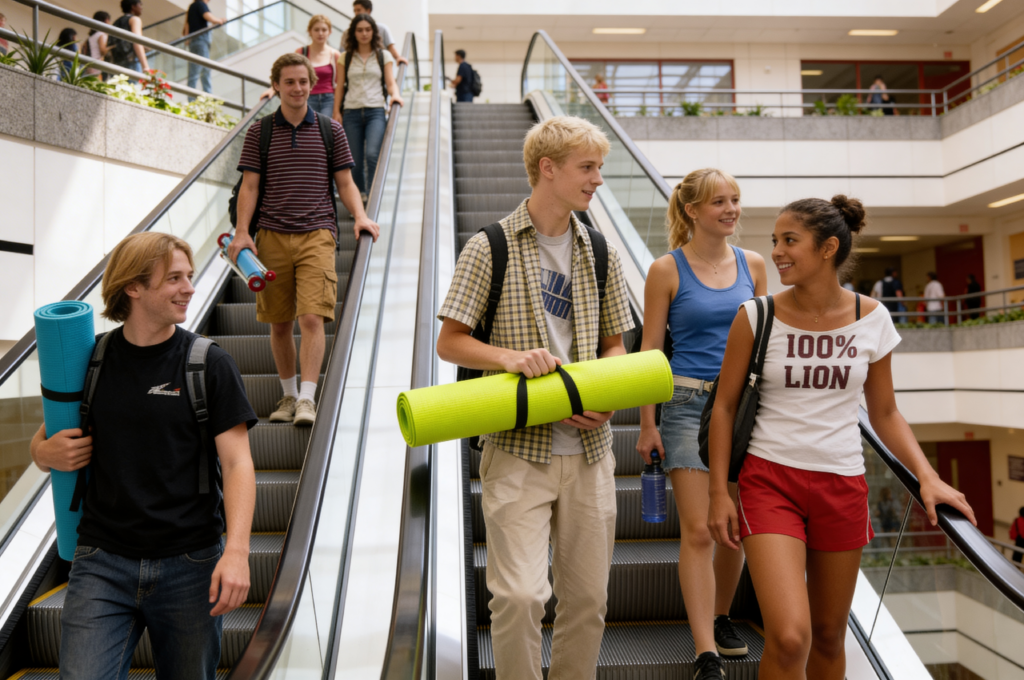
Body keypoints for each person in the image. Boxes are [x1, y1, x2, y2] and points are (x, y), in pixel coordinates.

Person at [708, 195, 975, 680]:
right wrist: (718, 492)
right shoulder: (755, 316)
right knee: (790, 636)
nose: (778, 252)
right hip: (769, 482)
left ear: (828, 247)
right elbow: (724, 408)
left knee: (830, 636)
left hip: (842, 484)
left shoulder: (873, 318)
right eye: (775, 242)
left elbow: (886, 412)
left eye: (790, 241)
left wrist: (928, 476)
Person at [436, 116, 634, 680]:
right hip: (518, 451)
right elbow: (450, 343)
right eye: (587, 167)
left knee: (588, 604)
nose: (598, 180)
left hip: (591, 452)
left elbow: (616, 344)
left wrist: (609, 395)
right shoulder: (488, 246)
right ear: (548, 169)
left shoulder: (600, 249)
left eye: (599, 168)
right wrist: (508, 358)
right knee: (520, 596)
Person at [29, 231, 258, 680]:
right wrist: (44, 452)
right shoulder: (91, 359)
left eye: (190, 276)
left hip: (191, 564)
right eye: (174, 278)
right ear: (133, 286)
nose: (189, 288)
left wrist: (237, 551)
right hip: (101, 562)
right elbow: (46, 441)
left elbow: (238, 464)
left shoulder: (207, 362)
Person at [636, 168, 767, 679]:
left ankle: (721, 614)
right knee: (697, 530)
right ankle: (705, 650)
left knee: (731, 526)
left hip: (742, 410)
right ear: (692, 210)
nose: (731, 209)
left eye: (735, 200)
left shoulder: (753, 264)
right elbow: (649, 351)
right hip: (687, 407)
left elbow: (763, 342)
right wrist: (647, 424)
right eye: (719, 202)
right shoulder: (666, 269)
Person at [227, 52, 380, 427]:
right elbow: (250, 185)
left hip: (317, 234)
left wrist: (360, 216)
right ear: (277, 85)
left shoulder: (331, 129)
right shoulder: (260, 131)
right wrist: (243, 233)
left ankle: (308, 399)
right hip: (271, 236)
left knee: (312, 317)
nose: (298, 88)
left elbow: (346, 182)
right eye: (290, 82)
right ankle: (288, 395)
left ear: (313, 85)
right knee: (279, 323)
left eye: (304, 82)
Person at [334, 13, 403, 200]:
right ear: (353, 33)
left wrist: (395, 94)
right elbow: (339, 87)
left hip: (375, 111)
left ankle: (374, 197)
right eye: (359, 30)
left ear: (373, 32)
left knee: (373, 154)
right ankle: (359, 197)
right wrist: (336, 112)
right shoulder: (344, 57)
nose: (364, 33)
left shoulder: (384, 55)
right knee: (353, 160)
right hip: (350, 112)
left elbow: (390, 83)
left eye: (368, 29)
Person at [260, 15, 344, 119]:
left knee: (323, 129)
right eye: (316, 29)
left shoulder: (335, 54)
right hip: (306, 96)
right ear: (310, 31)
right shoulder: (301, 52)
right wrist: (273, 89)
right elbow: (288, 72)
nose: (320, 33)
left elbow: (340, 84)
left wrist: (337, 112)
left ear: (329, 32)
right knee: (307, 128)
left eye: (324, 30)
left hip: (328, 100)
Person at [182, 0, 224, 96]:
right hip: (201, 41)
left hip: (193, 41)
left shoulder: (192, 6)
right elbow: (208, 16)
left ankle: (193, 98)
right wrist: (219, 20)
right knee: (204, 71)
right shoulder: (201, 4)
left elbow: (187, 24)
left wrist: (187, 39)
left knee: (194, 71)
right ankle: (208, 97)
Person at [347, 0, 407, 65]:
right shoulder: (349, 32)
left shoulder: (382, 29)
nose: (364, 33)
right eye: (359, 30)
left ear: (368, 10)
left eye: (359, 10)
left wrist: (398, 58)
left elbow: (391, 47)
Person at [110, 0, 148, 74]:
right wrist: (145, 67)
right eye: (140, 5)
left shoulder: (116, 22)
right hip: (130, 64)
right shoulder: (135, 19)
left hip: (116, 65)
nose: (141, 8)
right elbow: (137, 41)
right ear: (133, 6)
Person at [81, 12, 112, 79]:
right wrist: (112, 47)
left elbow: (84, 49)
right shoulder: (101, 35)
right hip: (97, 67)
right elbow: (103, 51)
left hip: (88, 67)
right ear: (106, 20)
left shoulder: (90, 37)